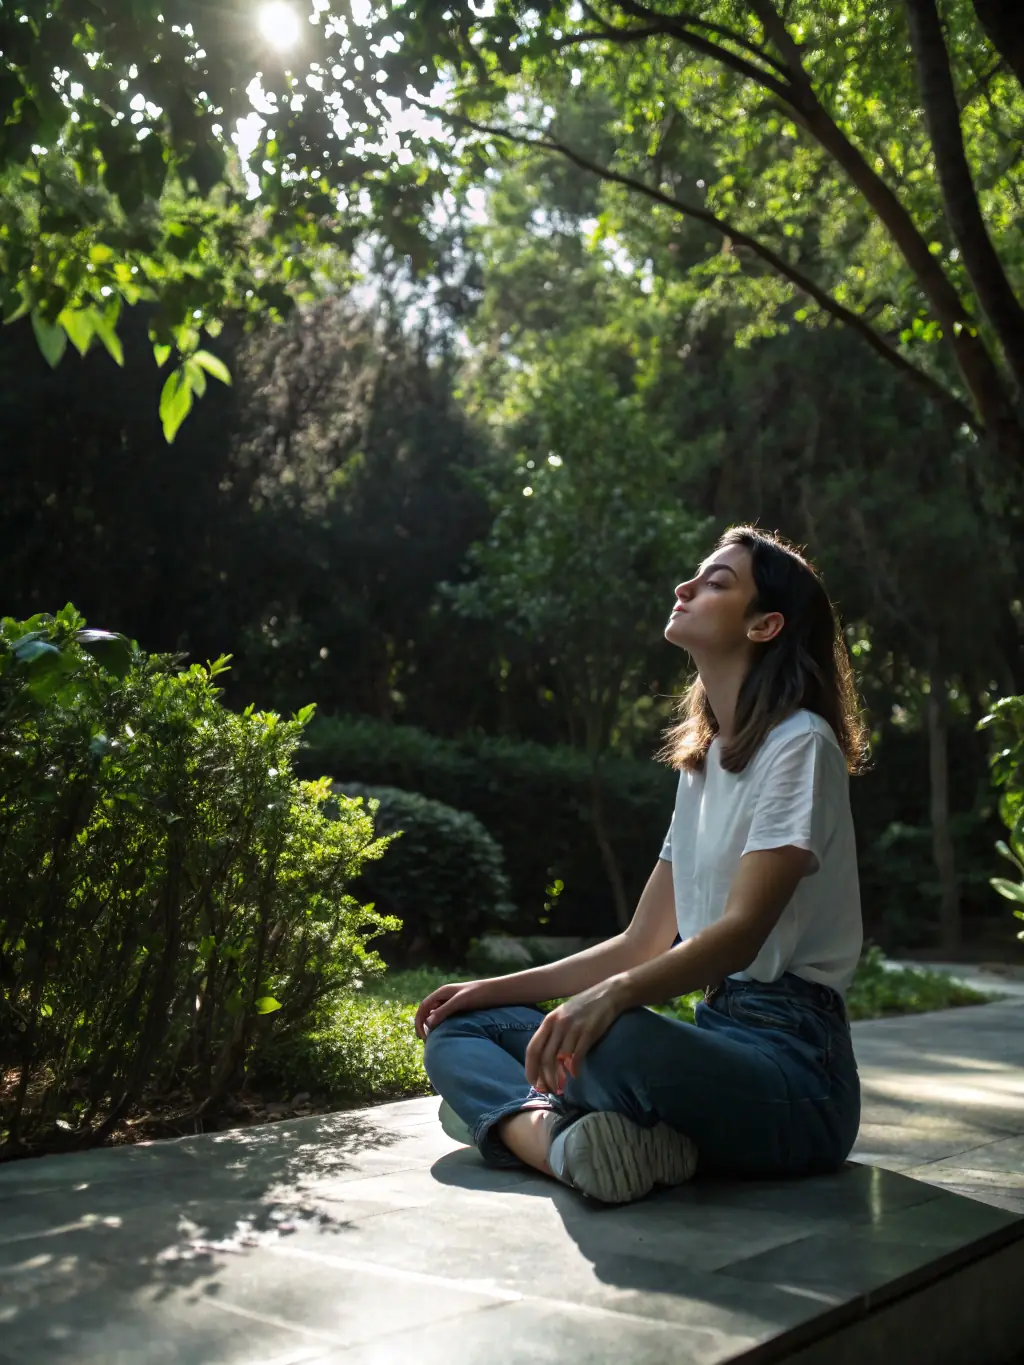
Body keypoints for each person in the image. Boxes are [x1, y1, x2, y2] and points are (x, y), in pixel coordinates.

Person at [416, 525, 867, 1205]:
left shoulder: (800, 744)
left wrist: (614, 996)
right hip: (717, 1042)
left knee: (614, 1038)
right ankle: (567, 1144)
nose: (686, 587)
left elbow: (741, 933)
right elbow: (641, 941)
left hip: (797, 1076)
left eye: (718, 582)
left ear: (766, 624)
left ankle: (513, 1123)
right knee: (464, 1027)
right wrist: (492, 988)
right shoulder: (703, 765)